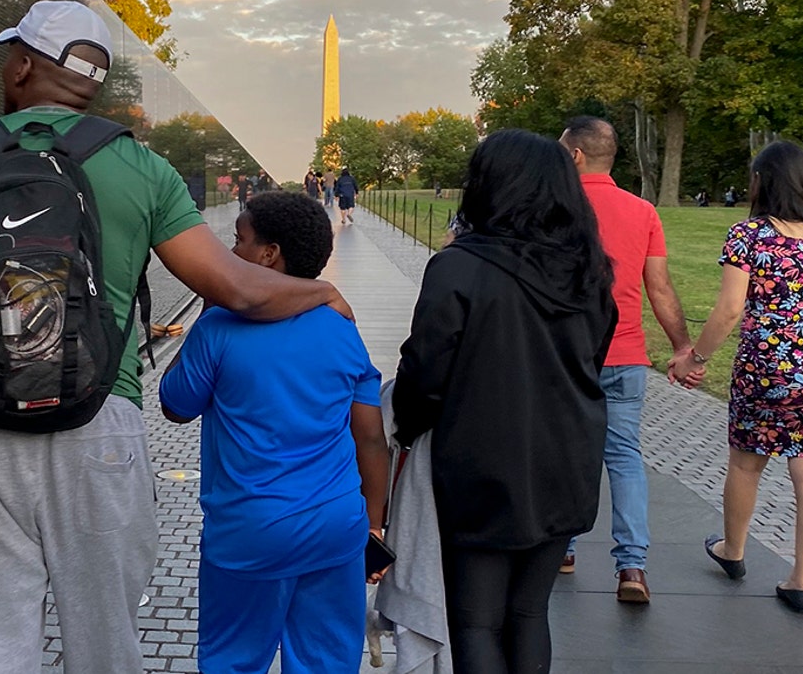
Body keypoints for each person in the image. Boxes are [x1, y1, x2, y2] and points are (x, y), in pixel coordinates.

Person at [0, 4, 353, 673]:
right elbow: (238, 288)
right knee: (106, 646)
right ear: (92, 82)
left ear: (21, 66)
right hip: (102, 426)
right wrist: (322, 290)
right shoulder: (140, 170)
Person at [393, 129, 617, 673]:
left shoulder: (459, 267)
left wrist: (403, 427)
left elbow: (425, 373)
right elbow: (594, 358)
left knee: (475, 621)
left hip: (480, 463)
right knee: (528, 613)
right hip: (568, 458)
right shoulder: (589, 270)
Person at [160, 190, 389, 673]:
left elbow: (176, 405)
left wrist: (212, 303)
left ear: (269, 255)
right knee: (326, 662)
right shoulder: (340, 324)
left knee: (233, 660)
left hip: (250, 533)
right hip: (335, 527)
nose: (229, 253)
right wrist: (372, 521)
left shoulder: (220, 327)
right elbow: (370, 437)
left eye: (238, 240)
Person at [672, 141, 803, 616]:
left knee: (744, 465)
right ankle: (802, 581)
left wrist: (695, 358)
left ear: (763, 180)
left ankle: (733, 551)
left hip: (763, 369)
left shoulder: (749, 235)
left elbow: (730, 309)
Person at [558, 117, 693, 603]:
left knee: (568, 451)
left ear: (574, 156)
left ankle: (565, 548)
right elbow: (659, 287)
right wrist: (682, 348)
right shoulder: (642, 212)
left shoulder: (556, 210)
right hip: (627, 352)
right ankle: (632, 566)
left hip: (567, 353)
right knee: (624, 457)